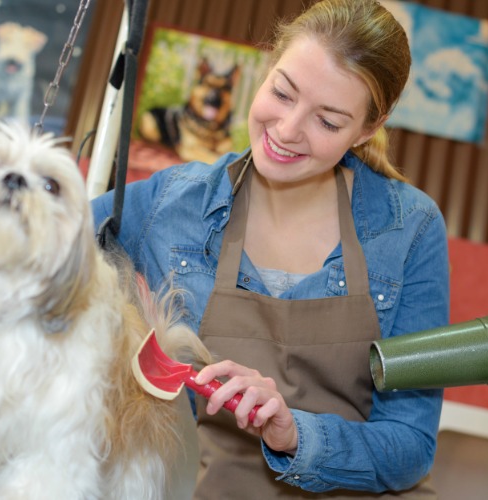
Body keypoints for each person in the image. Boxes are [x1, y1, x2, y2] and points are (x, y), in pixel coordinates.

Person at [92, 0, 449, 497]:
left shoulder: (408, 228)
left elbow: (411, 446)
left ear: (368, 128)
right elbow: (47, 252)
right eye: (282, 93)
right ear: (267, 68)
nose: (286, 130)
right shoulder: (171, 205)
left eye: (327, 122)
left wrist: (295, 432)